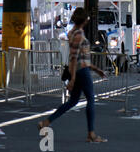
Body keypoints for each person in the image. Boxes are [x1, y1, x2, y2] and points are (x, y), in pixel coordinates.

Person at [37, 8, 107, 143]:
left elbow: (80, 57)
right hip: (81, 72)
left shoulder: (73, 33)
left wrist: (96, 69)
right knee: (91, 100)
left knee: (73, 101)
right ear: (83, 20)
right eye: (87, 18)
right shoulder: (79, 35)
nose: (88, 20)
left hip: (80, 70)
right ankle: (91, 134)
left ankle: (46, 122)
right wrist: (73, 79)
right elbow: (74, 58)